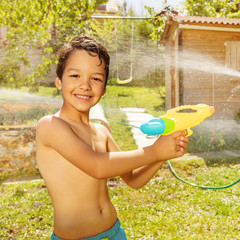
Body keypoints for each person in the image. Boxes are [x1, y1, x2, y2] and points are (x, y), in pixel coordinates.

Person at [36, 35, 189, 240]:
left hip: (115, 232)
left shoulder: (101, 132)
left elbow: (133, 179)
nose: (85, 85)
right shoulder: (50, 126)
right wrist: (154, 150)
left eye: (96, 78)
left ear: (104, 88)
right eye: (75, 75)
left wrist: (163, 153)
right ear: (58, 82)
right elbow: (98, 167)